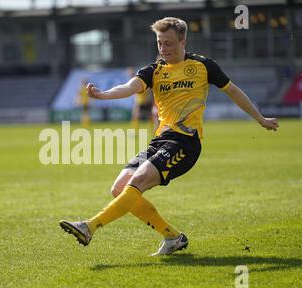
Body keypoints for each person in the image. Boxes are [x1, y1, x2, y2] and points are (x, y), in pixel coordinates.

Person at [59, 17, 278, 256]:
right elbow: (129, 87)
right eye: (160, 43)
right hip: (160, 141)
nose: (164, 49)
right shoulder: (154, 70)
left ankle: (89, 226)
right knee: (119, 188)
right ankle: (173, 237)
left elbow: (233, 91)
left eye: (169, 43)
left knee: (137, 182)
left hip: (185, 141)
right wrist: (102, 95)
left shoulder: (203, 66)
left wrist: (261, 119)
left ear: (183, 41)